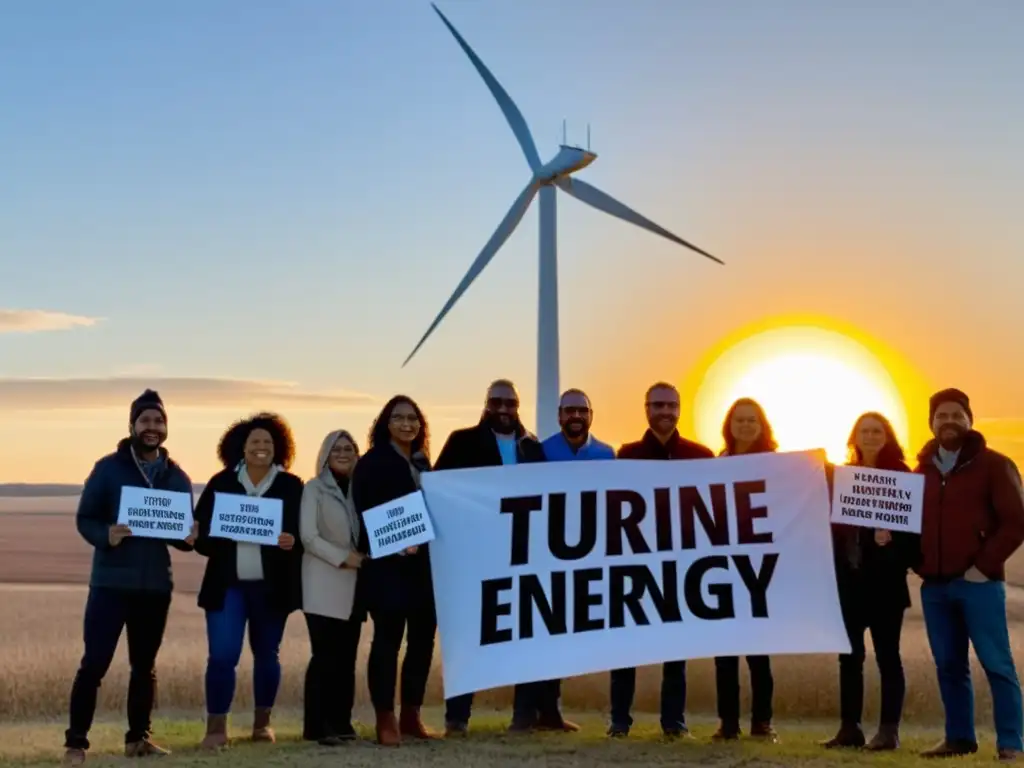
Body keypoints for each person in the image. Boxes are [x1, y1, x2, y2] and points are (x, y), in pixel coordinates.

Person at [436, 379, 579, 736]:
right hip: (473, 555)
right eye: (497, 402)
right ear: (485, 404)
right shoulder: (461, 441)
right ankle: (457, 718)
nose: (503, 409)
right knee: (467, 637)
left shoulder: (532, 447)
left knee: (525, 635)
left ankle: (524, 716)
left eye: (510, 403)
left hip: (522, 556)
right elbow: (439, 489)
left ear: (518, 406)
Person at [63, 390, 197, 767]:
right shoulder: (108, 468)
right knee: (94, 663)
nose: (151, 428)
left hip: (155, 586)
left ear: (166, 427)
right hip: (110, 584)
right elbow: (85, 518)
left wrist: (189, 538)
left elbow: (180, 535)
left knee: (144, 667)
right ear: (132, 426)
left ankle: (138, 738)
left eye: (158, 421)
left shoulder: (178, 477)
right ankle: (76, 744)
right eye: (145, 421)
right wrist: (107, 534)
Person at [913, 389, 1024, 760]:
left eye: (956, 415)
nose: (949, 421)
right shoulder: (921, 472)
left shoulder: (995, 465)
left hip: (980, 585)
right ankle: (959, 739)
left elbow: (1016, 523)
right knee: (949, 665)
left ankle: (1010, 743)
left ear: (969, 420)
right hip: (935, 588)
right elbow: (909, 524)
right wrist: (918, 562)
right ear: (931, 423)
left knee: (997, 663)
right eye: (941, 416)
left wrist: (982, 567)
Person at [608, 381, 714, 739]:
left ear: (680, 409)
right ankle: (619, 721)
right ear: (646, 409)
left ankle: (674, 722)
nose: (665, 411)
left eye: (671, 405)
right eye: (658, 405)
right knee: (625, 649)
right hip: (634, 565)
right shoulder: (627, 455)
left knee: (676, 651)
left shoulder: (701, 456)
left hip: (682, 566)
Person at [192, 412, 304, 749]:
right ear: (241, 447)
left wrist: (292, 540)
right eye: (254, 441)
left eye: (268, 442)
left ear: (278, 447)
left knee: (267, 654)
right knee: (222, 656)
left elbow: (303, 534)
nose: (261, 447)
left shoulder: (290, 486)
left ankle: (262, 726)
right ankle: (215, 729)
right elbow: (202, 540)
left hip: (271, 589)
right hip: (228, 588)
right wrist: (214, 534)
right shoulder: (221, 483)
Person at [821, 412, 918, 751]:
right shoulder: (843, 478)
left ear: (888, 436)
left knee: (888, 657)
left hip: (887, 587)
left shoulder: (903, 478)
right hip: (849, 585)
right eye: (864, 431)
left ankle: (889, 731)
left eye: (877, 430)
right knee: (849, 657)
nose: (871, 436)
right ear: (854, 437)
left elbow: (914, 541)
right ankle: (850, 729)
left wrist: (892, 540)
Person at [350, 395, 437, 746]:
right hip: (387, 568)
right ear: (386, 422)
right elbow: (364, 510)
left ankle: (411, 715)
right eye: (399, 417)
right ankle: (385, 719)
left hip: (425, 568)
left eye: (413, 418)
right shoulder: (372, 462)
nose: (407, 424)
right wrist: (394, 543)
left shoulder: (422, 463)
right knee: (387, 641)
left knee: (422, 642)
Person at [711, 398, 778, 743]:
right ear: (730, 424)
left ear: (762, 424)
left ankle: (762, 722)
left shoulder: (779, 466)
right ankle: (728, 723)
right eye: (740, 420)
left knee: (759, 657)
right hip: (722, 571)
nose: (746, 425)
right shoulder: (716, 464)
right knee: (724, 657)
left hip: (760, 572)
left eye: (753, 420)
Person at [299, 430, 364, 746]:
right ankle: (316, 725)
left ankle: (341, 722)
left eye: (349, 448)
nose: (343, 453)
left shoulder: (361, 489)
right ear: (325, 454)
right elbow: (308, 537)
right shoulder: (314, 489)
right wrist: (343, 558)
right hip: (323, 580)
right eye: (336, 448)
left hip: (355, 585)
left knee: (347, 658)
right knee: (325, 656)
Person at [541, 388, 615, 460]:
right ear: (560, 414)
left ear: (591, 415)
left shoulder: (606, 455)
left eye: (583, 411)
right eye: (570, 410)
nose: (576, 416)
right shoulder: (543, 452)